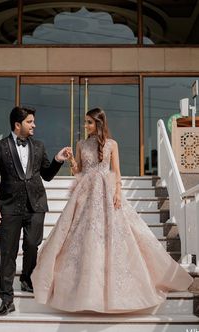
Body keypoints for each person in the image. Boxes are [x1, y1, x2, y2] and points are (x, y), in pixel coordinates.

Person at [31, 107, 193, 313]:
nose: (85, 126)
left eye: (89, 122)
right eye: (85, 122)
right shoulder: (81, 144)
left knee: (113, 233)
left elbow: (116, 172)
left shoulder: (112, 144)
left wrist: (117, 192)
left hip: (106, 193)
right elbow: (78, 172)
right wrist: (71, 159)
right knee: (82, 234)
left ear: (99, 123)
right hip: (85, 194)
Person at [0, 106, 69, 317]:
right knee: (8, 253)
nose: (34, 125)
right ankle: (6, 299)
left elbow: (47, 176)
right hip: (9, 207)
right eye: (30, 122)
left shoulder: (39, 147)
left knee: (32, 245)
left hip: (36, 205)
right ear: (17, 124)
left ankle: (26, 278)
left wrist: (58, 160)